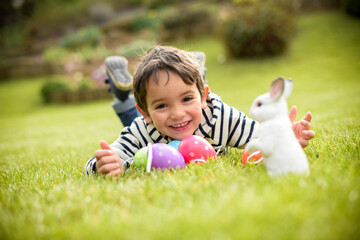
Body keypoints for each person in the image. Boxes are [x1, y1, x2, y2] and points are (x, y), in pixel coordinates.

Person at [85, 46, 315, 177]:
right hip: (147, 122)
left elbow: (260, 138)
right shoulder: (141, 130)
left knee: (178, 100)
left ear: (205, 97)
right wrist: (105, 165)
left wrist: (287, 137)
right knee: (132, 119)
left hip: (188, 104)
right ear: (146, 112)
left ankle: (197, 67)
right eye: (162, 105)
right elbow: (95, 163)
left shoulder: (220, 117)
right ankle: (123, 97)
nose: (177, 114)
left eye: (187, 99)